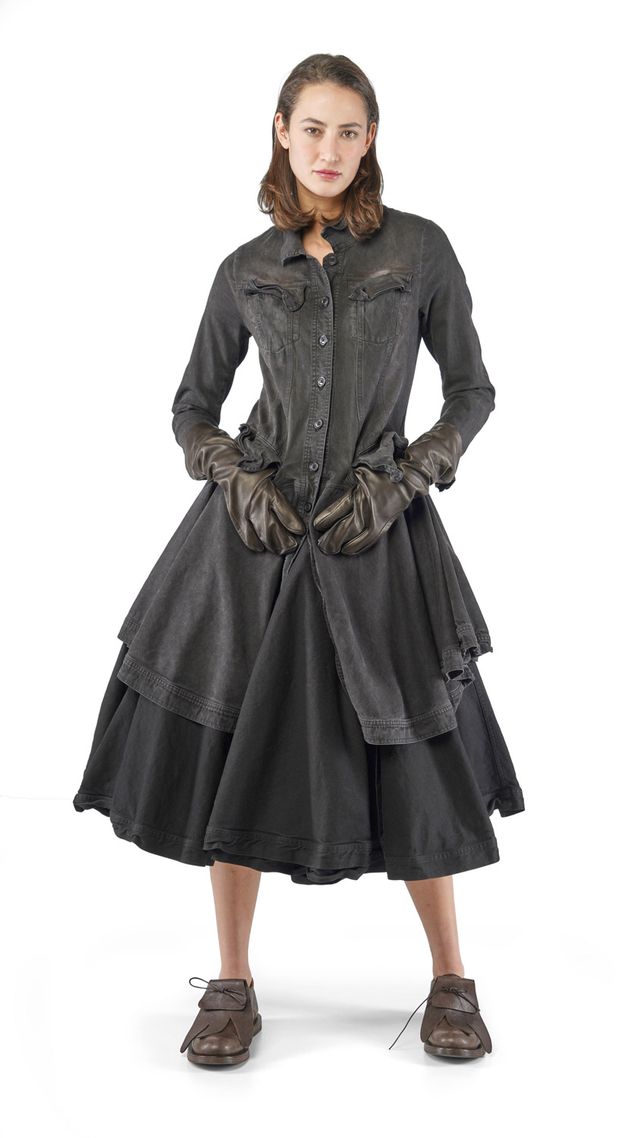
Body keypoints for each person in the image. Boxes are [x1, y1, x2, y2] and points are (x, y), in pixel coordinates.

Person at [73, 52, 525, 1066]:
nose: (330, 148)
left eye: (349, 131)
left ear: (372, 140)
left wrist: (407, 479)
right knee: (231, 744)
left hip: (377, 529)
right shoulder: (245, 267)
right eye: (312, 128)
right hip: (254, 537)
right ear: (282, 130)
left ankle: (451, 979)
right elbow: (192, 407)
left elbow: (472, 391)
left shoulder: (419, 250)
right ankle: (231, 983)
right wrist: (232, 476)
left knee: (413, 749)